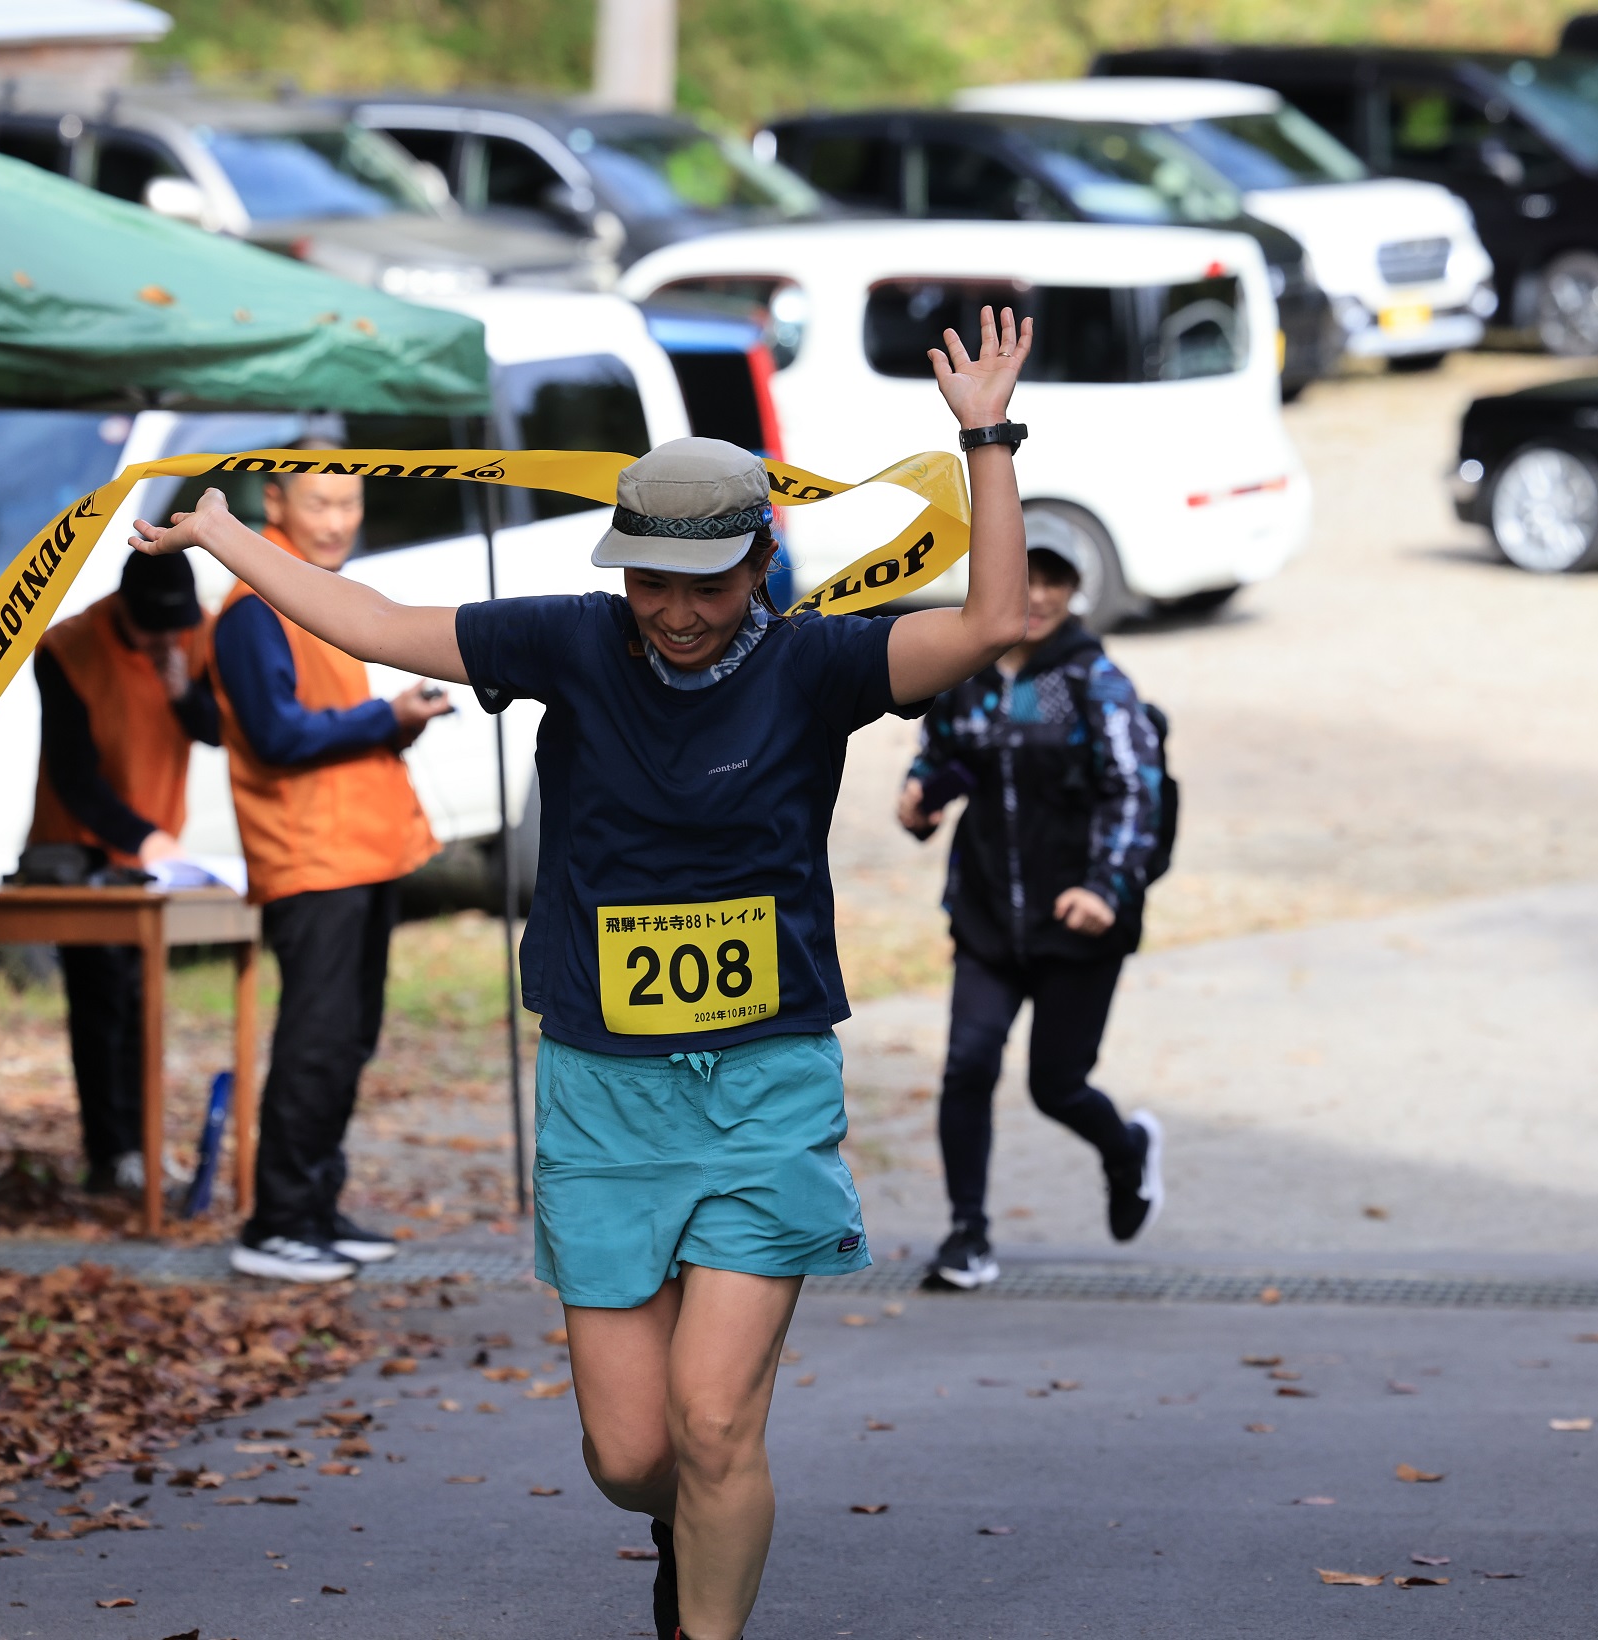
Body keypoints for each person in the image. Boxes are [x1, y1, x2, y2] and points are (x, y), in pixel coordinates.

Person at [134, 308, 1033, 1640]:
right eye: (650, 583)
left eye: (705, 584)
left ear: (757, 564)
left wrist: (981, 438)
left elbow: (992, 616)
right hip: (602, 1100)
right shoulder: (569, 645)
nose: (673, 612)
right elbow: (377, 621)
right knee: (631, 1459)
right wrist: (223, 537)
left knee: (714, 1421)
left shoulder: (814, 663)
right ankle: (689, 1528)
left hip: (759, 1091)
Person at [205, 455, 451, 1281]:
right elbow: (276, 733)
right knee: (314, 1042)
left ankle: (314, 1205)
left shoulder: (316, 591)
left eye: (350, 502)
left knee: (348, 1039)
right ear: (274, 502)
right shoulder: (255, 606)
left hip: (362, 852)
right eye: (320, 502)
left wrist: (393, 722)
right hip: (311, 858)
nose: (338, 519)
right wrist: (384, 717)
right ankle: (275, 1222)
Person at [896, 548, 1166, 1291]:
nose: (1039, 595)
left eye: (1055, 581)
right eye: (1027, 577)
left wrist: (1105, 888)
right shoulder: (968, 676)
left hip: (1075, 920)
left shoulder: (1093, 681)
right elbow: (938, 759)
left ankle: (1127, 1152)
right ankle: (967, 1235)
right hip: (985, 918)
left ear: (1074, 592)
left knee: (1057, 1084)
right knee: (966, 1068)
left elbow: (1135, 790)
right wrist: (918, 798)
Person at [28, 550, 221, 1198]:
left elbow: (227, 729)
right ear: (123, 611)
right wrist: (143, 838)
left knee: (146, 1004)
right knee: (102, 1000)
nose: (168, 640)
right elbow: (74, 777)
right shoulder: (68, 649)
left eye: (177, 629)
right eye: (153, 631)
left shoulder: (200, 636)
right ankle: (111, 1153)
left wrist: (182, 692)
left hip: (154, 860)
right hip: (81, 851)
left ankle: (144, 1143)